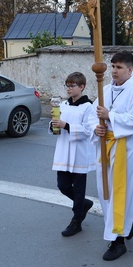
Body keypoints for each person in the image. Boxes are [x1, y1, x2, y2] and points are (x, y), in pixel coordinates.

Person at [90, 52, 133, 261]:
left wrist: (110, 116)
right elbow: (92, 115)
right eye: (113, 66)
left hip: (128, 146)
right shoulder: (104, 90)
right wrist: (95, 128)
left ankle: (118, 240)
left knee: (121, 191)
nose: (114, 71)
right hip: (106, 144)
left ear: (130, 70)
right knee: (104, 189)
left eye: (119, 67)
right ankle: (127, 219)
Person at [51, 72, 95, 237]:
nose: (69, 89)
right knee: (62, 185)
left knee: (78, 189)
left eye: (72, 86)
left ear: (82, 87)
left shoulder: (88, 107)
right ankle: (84, 204)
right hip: (64, 150)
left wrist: (66, 125)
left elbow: (89, 130)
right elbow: (57, 125)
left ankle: (77, 221)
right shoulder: (62, 104)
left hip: (79, 152)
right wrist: (54, 123)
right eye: (67, 86)